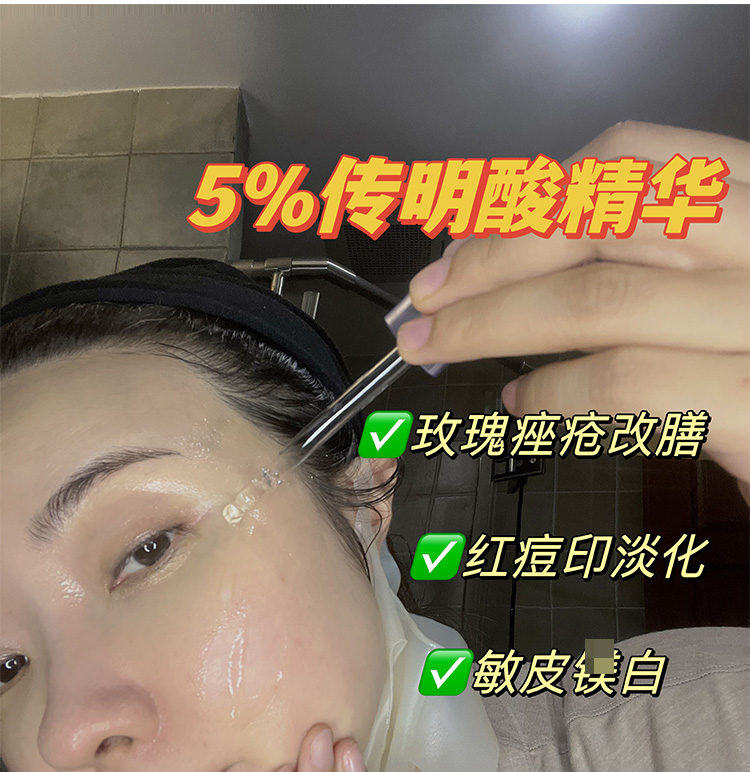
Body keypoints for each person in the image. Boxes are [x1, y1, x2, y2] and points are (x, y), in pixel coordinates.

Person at [0, 122, 747, 772]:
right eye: (3, 666)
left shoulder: (702, 728)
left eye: (148, 548)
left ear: (361, 503)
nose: (65, 735)